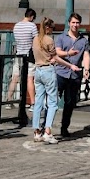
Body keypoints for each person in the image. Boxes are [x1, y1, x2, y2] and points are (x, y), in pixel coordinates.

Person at [31, 16, 68, 144]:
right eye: (52, 28)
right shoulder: (49, 39)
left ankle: (36, 132)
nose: (53, 30)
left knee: (38, 102)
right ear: (48, 28)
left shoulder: (35, 39)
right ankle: (47, 131)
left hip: (38, 70)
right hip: (48, 70)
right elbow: (55, 57)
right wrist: (69, 64)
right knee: (52, 102)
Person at [54, 12, 90, 138]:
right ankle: (46, 126)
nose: (75, 25)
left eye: (77, 23)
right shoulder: (61, 37)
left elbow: (86, 55)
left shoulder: (84, 41)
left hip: (75, 75)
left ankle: (64, 127)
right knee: (53, 100)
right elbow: (57, 52)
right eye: (73, 22)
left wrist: (86, 69)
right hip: (60, 72)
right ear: (69, 23)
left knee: (69, 103)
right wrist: (68, 54)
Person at [13, 8, 38, 116]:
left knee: (15, 77)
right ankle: (33, 103)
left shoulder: (16, 25)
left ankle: (9, 100)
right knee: (30, 79)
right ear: (32, 17)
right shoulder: (32, 26)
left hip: (19, 53)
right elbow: (36, 41)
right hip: (29, 55)